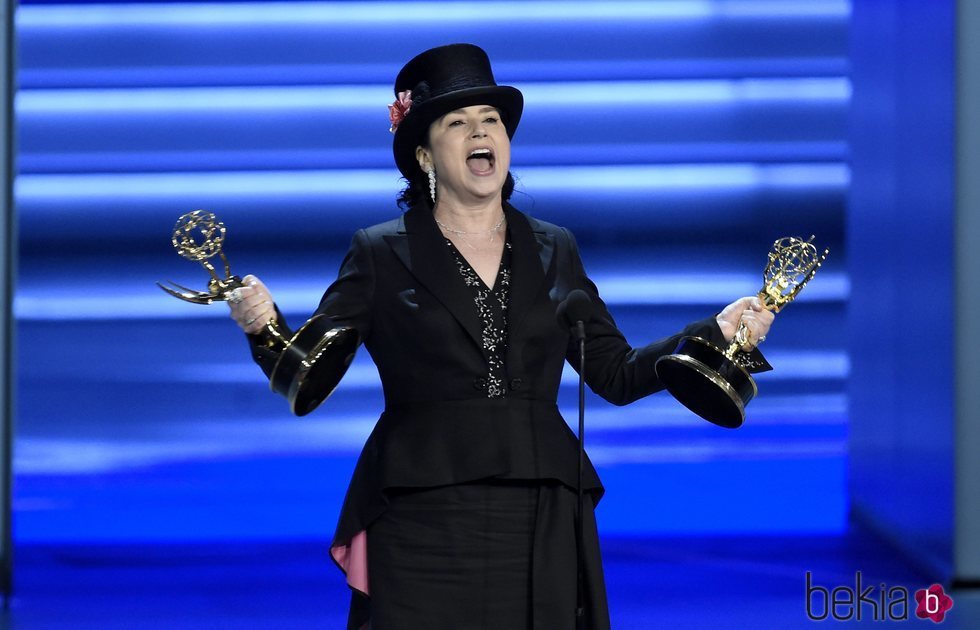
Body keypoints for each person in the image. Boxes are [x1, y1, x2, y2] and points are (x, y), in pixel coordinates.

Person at [227, 44, 774, 630]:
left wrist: (711, 333)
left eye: (490, 120)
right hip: (421, 510)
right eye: (457, 123)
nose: (480, 132)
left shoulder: (553, 246)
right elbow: (312, 379)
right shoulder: (380, 251)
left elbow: (614, 373)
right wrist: (265, 329)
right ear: (424, 154)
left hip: (539, 504)